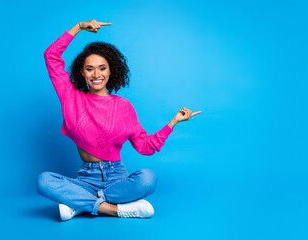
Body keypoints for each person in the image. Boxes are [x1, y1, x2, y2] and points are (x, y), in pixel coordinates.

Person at [36, 19, 201, 220]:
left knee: (148, 178)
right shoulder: (71, 98)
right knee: (44, 180)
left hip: (117, 177)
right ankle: (113, 208)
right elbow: (51, 56)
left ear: (111, 70)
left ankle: (80, 203)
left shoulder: (124, 106)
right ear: (82, 72)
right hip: (85, 178)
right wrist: (78, 28)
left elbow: (145, 147)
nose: (96, 74)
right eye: (90, 69)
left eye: (102, 68)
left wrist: (173, 122)